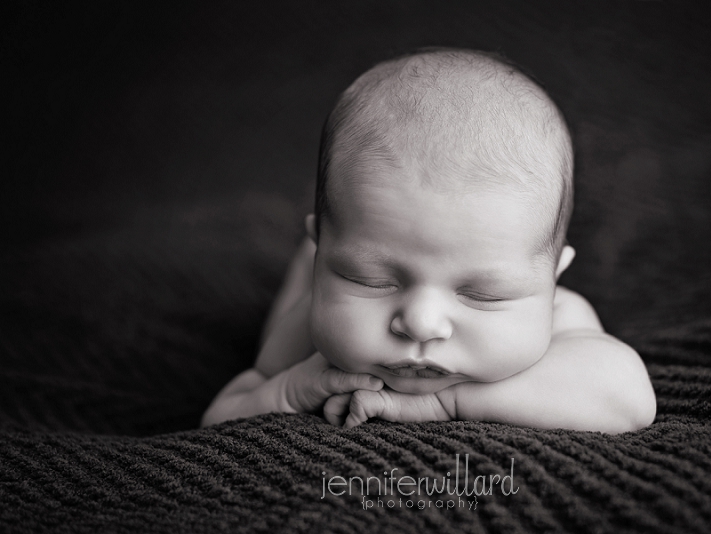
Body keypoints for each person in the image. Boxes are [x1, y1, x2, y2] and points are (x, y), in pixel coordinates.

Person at [202, 48, 657, 433]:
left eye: (482, 293)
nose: (421, 324)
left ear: (553, 279)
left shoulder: (561, 319)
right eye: (371, 279)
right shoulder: (311, 331)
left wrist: (446, 404)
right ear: (330, 258)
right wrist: (285, 389)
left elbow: (627, 401)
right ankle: (306, 263)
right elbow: (221, 414)